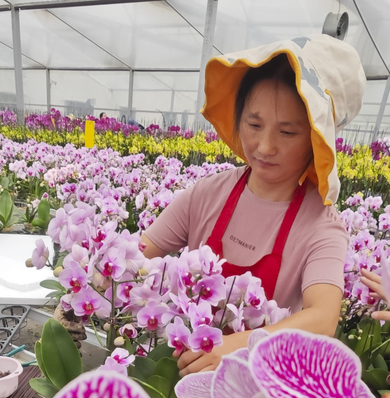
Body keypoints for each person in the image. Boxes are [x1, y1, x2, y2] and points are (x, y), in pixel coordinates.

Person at [140, 36, 366, 375]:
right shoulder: (206, 194)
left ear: (317, 140)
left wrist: (235, 345)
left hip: (257, 389)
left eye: (287, 132)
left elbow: (324, 319)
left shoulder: (322, 226)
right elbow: (140, 256)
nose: (264, 146)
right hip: (181, 371)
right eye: (254, 124)